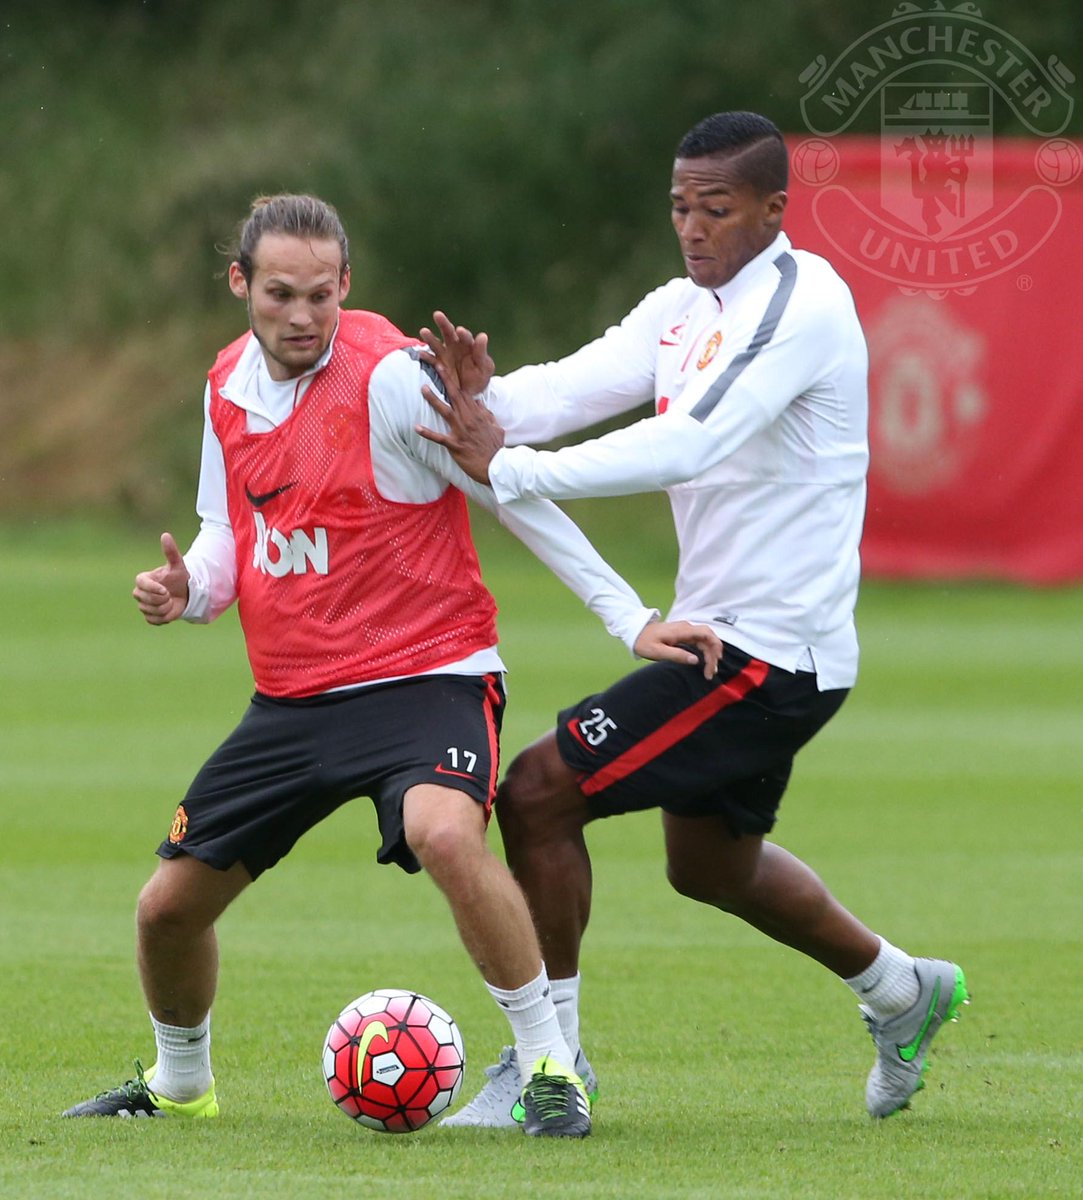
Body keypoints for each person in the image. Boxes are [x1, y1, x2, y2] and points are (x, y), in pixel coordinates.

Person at [60, 193, 723, 1139]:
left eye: (321, 297)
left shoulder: (389, 379)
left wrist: (631, 618)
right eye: (280, 294)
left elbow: (511, 491)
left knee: (445, 834)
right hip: (294, 699)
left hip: (430, 674)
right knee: (166, 907)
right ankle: (179, 1084)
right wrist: (191, 588)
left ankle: (549, 1066)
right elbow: (226, 533)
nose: (301, 317)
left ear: (347, 287)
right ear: (240, 283)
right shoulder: (224, 386)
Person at [417, 111, 968, 1128]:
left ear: (773, 208)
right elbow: (570, 391)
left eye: (716, 208)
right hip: (734, 639)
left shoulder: (803, 309)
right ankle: (900, 989)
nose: (693, 226)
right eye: (680, 205)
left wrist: (514, 468)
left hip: (768, 654)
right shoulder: (683, 305)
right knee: (708, 865)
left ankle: (551, 1070)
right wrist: (476, 399)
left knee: (538, 793)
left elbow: (685, 446)